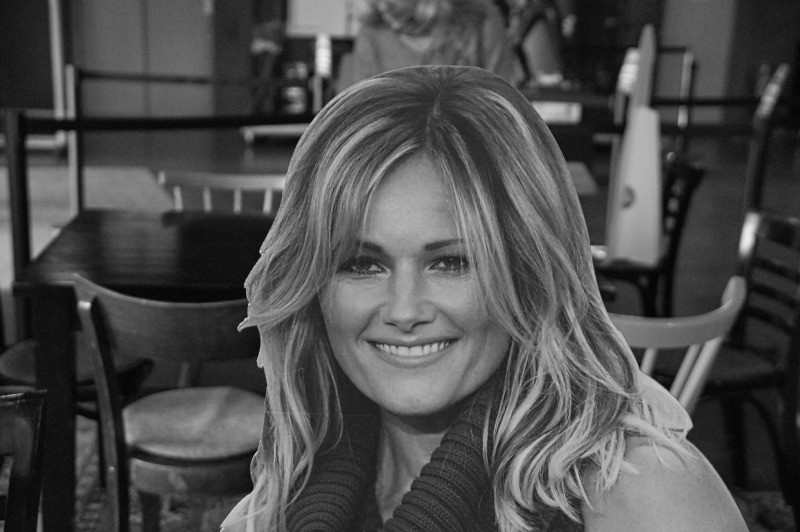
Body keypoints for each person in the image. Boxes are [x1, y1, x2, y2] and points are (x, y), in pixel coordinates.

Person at [222, 65, 747, 531]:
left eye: (451, 262)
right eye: (362, 264)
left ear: (529, 273)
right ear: (312, 289)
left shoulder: (644, 493)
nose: (404, 310)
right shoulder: (283, 493)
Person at [339, 0, 522, 88]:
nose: (382, 8)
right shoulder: (372, 31)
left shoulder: (482, 20)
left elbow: (504, 101)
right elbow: (362, 110)